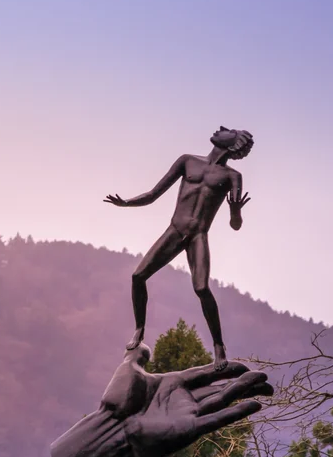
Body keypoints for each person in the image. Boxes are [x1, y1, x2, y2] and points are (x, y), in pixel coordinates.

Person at [104, 126, 253, 369]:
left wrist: (235, 210)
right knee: (138, 276)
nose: (222, 129)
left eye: (230, 131)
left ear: (233, 144)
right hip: (175, 230)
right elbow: (154, 194)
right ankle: (139, 328)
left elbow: (235, 225)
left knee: (202, 288)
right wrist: (126, 203)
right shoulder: (187, 161)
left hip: (198, 236)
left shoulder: (232, 177)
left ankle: (218, 346)